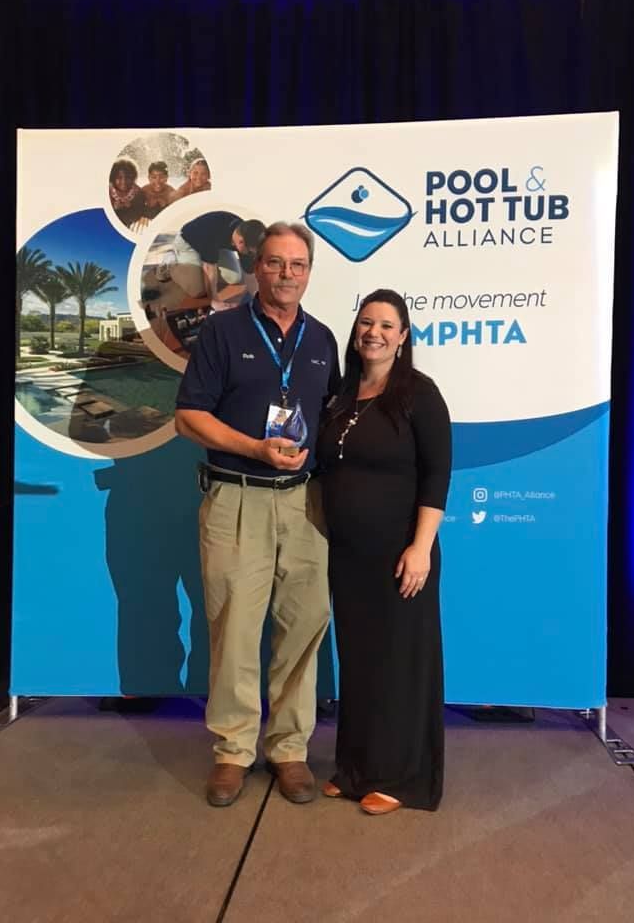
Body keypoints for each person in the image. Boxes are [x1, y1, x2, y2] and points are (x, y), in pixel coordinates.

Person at [174, 222, 340, 808]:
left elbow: (334, 419)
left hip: (305, 502)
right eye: (274, 263)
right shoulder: (223, 331)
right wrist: (253, 447)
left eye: (297, 265)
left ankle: (290, 749)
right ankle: (233, 751)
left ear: (309, 272)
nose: (285, 275)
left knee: (303, 626)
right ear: (256, 267)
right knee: (235, 630)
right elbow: (188, 417)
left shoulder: (322, 339)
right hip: (236, 495)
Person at [316, 289, 451, 815]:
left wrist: (420, 548)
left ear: (403, 336)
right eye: (366, 323)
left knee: (399, 665)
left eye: (386, 325)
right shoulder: (342, 395)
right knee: (360, 662)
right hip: (349, 557)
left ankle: (401, 778)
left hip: (400, 554)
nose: (374, 333)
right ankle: (354, 770)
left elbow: (437, 475)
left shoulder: (419, 393)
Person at [152, 211, 265, 313]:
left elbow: (249, 269)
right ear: (241, 242)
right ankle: (170, 264)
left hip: (217, 246)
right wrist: (214, 301)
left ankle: (205, 261)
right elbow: (210, 269)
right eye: (250, 251)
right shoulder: (211, 233)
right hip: (189, 244)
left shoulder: (246, 232)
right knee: (198, 290)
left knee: (234, 278)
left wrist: (260, 295)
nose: (251, 254)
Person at [109, 159, 145, 227]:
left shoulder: (138, 193)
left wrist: (130, 207)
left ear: (133, 178)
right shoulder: (107, 191)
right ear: (113, 178)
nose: (123, 181)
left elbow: (138, 215)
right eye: (119, 177)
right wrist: (113, 208)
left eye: (128, 177)